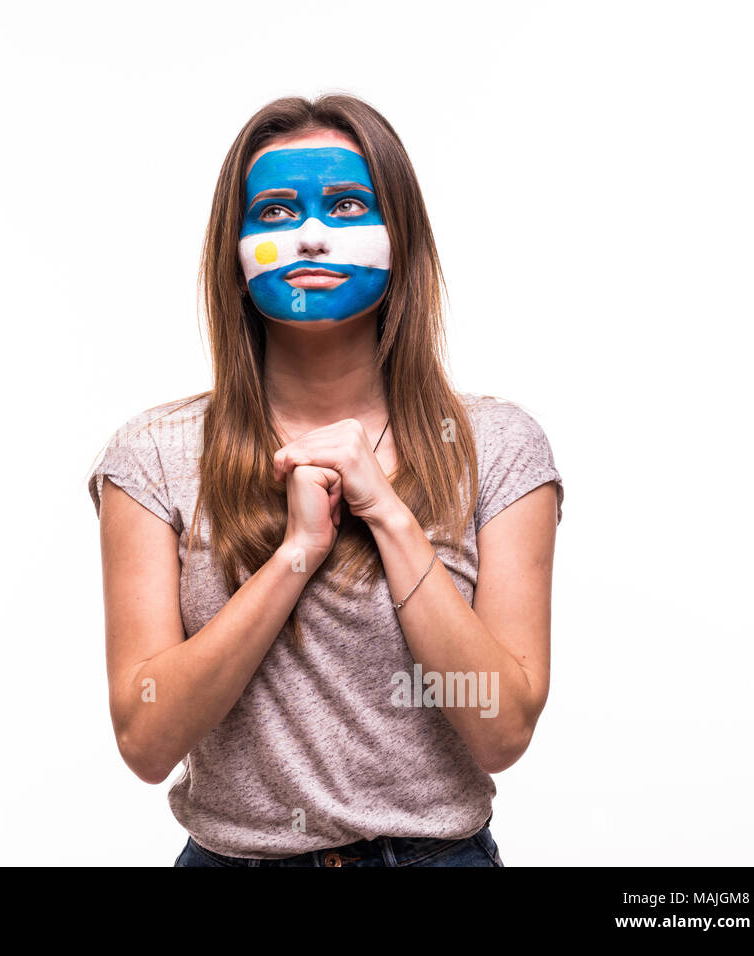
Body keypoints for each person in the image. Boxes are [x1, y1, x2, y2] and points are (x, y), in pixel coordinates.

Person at [86, 93, 563, 867]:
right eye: (274, 212)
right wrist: (296, 553)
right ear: (235, 255)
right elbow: (146, 740)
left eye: (345, 205)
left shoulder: (497, 446)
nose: (310, 233)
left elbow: (502, 729)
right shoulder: (152, 456)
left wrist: (387, 514)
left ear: (400, 242)